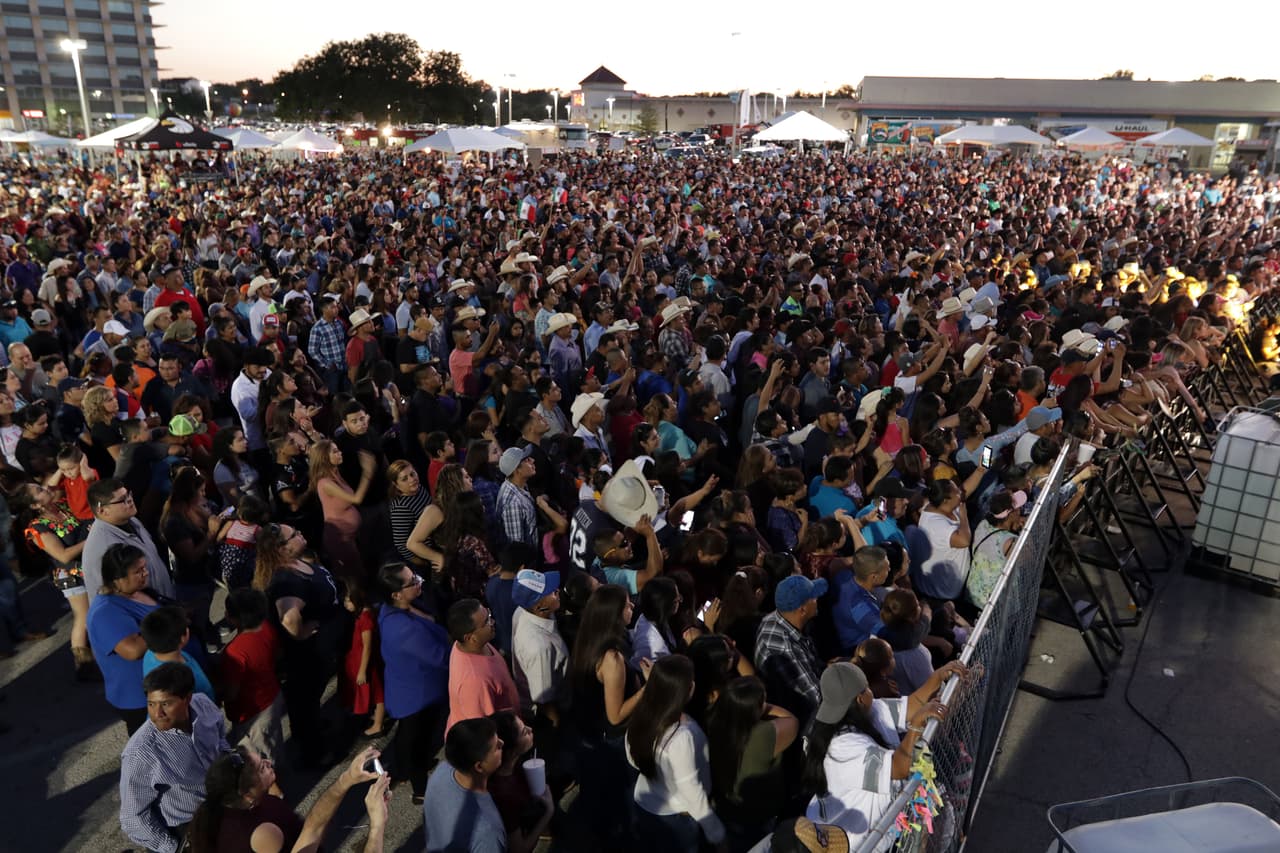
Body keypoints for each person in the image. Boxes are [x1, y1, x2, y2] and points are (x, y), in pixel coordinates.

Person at [801, 661, 965, 851]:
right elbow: (899, 768)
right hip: (855, 841)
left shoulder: (865, 711)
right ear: (860, 699)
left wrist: (938, 676)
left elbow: (911, 706)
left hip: (878, 827)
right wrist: (915, 727)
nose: (871, 691)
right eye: (867, 688)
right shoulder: (840, 747)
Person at [187, 746, 388, 853]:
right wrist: (377, 824)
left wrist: (347, 779)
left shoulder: (233, 806)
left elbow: (310, 830)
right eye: (261, 768)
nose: (268, 762)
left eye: (262, 758)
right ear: (247, 793)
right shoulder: (262, 834)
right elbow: (311, 834)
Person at [118, 663, 228, 853]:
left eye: (165, 704)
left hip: (222, 809)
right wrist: (175, 848)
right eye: (151, 704)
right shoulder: (141, 752)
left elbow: (221, 739)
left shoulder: (203, 705)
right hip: (185, 829)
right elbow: (132, 817)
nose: (156, 714)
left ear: (187, 699)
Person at [625, 654, 726, 851]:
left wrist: (660, 679)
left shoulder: (643, 714)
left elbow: (632, 757)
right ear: (690, 689)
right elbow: (692, 793)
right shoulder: (681, 738)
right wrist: (717, 834)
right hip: (677, 817)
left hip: (646, 804)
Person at [376, 563, 451, 804]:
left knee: (409, 736)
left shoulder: (399, 609)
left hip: (413, 689)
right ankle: (420, 790)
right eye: (412, 581)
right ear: (396, 594)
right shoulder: (402, 629)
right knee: (418, 741)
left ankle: (404, 768)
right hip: (418, 696)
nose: (419, 581)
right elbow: (441, 657)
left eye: (415, 576)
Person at [706, 675, 798, 848]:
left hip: (725, 809)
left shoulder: (713, 720)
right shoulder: (762, 735)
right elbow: (791, 721)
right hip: (758, 818)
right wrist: (764, 706)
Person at [86, 543, 161, 732]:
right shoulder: (106, 612)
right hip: (139, 698)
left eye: (144, 568)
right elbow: (132, 650)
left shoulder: (135, 592)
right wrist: (168, 624)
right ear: (117, 579)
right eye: (138, 571)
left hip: (159, 687)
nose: (145, 574)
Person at [82, 477, 176, 603]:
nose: (130, 500)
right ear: (103, 510)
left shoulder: (132, 521)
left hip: (164, 604)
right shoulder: (103, 547)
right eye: (122, 500)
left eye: (128, 495)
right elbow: (114, 597)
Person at [423, 716, 508, 853]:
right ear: (479, 767)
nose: (502, 743)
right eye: (496, 747)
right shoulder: (487, 832)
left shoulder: (441, 771)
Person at [220, 588, 286, 765]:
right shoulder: (267, 627)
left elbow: (231, 692)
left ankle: (273, 789)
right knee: (269, 741)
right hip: (271, 698)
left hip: (251, 713)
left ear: (232, 618)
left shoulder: (234, 652)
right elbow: (277, 655)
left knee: (258, 759)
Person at [754, 575, 826, 724]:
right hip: (803, 718)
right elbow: (817, 698)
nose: (817, 600)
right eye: (813, 598)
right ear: (802, 610)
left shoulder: (776, 617)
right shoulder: (784, 647)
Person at [445, 597, 520, 732]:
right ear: (470, 638)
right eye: (486, 622)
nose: (493, 622)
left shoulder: (470, 644)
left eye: (489, 615)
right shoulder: (473, 682)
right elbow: (483, 731)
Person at [510, 568, 569, 725]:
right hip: (552, 709)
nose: (557, 591)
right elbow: (544, 702)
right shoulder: (539, 647)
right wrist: (558, 727)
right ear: (539, 607)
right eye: (550, 592)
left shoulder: (522, 610)